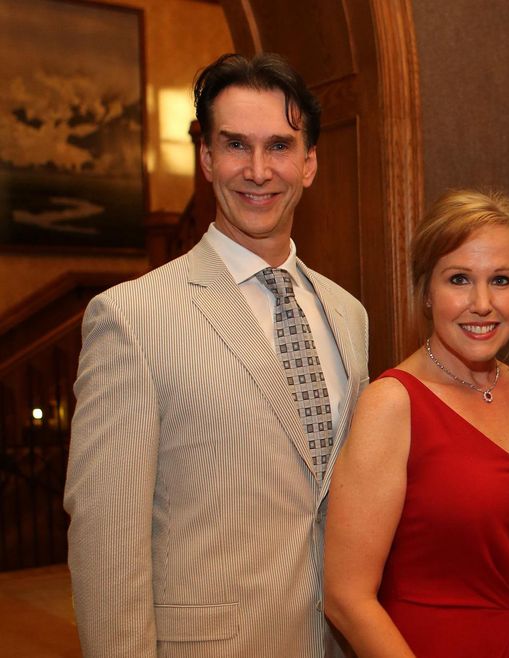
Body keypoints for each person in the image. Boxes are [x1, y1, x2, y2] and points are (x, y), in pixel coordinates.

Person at [64, 53, 369, 656]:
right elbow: (108, 536)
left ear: (309, 163)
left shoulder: (348, 315)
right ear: (207, 159)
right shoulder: (132, 318)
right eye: (236, 145)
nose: (258, 170)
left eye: (279, 146)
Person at [322, 189, 509, 657]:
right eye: (459, 279)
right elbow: (347, 597)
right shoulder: (393, 404)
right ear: (427, 291)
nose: (482, 303)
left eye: (502, 280)